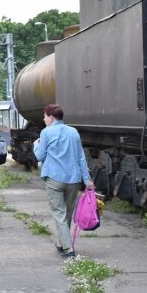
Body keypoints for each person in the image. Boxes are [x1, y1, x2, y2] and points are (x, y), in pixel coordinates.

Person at [33, 103, 95, 258]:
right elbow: (81, 157)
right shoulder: (73, 132)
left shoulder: (46, 133)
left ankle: (68, 248)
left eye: (45, 116)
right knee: (66, 213)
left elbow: (40, 156)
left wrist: (36, 146)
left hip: (54, 179)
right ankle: (62, 243)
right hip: (73, 179)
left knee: (59, 213)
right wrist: (87, 179)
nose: (44, 119)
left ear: (51, 117)